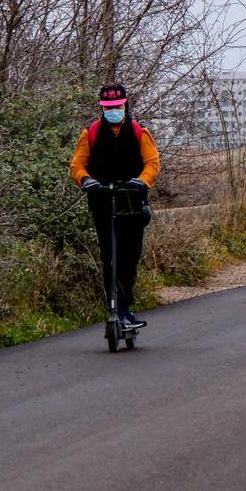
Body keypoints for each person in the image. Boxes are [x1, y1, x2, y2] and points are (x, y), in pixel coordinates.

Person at [70, 83, 160, 328]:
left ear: (125, 105)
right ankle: (113, 308)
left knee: (130, 257)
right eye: (108, 107)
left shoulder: (140, 133)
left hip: (132, 202)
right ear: (102, 107)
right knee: (109, 257)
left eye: (117, 106)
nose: (113, 111)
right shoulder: (90, 134)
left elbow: (152, 163)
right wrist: (86, 180)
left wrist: (142, 181)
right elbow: (77, 165)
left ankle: (125, 308)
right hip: (102, 203)